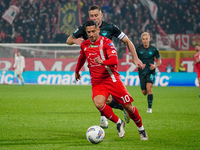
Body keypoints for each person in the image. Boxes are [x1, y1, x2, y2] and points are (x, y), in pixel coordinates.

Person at [67, 5, 143, 127]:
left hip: (109, 67)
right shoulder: (85, 28)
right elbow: (68, 40)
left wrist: (136, 57)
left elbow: (127, 41)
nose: (94, 17)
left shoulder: (111, 28)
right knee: (103, 99)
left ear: (101, 15)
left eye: (96, 15)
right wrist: (75, 41)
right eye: (91, 15)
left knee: (111, 98)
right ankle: (109, 114)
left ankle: (114, 112)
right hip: (95, 68)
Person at [75, 20, 148, 140]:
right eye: (89, 32)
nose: (91, 34)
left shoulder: (107, 43)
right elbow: (82, 57)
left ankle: (141, 129)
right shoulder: (84, 45)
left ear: (98, 30)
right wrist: (77, 71)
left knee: (128, 107)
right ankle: (119, 122)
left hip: (111, 78)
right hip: (97, 81)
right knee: (98, 103)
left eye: (93, 31)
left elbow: (114, 61)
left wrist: (102, 62)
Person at [135, 32, 162, 113]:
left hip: (151, 71)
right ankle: (148, 100)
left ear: (149, 39)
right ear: (142, 40)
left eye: (147, 39)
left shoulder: (154, 50)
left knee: (149, 88)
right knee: (144, 92)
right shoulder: (138, 49)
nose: (145, 40)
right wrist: (138, 64)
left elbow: (159, 61)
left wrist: (155, 66)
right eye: (144, 39)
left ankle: (149, 108)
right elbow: (134, 59)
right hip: (142, 71)